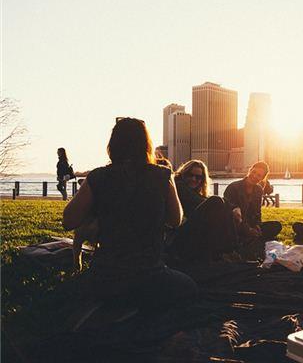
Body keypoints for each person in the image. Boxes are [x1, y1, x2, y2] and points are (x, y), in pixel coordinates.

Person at [62, 118, 197, 313]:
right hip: (150, 276)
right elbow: (175, 220)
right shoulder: (162, 175)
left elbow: (69, 221)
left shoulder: (97, 177)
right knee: (189, 288)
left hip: (106, 278)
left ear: (113, 145)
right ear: (146, 144)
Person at [169, 160, 238, 264]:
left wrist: (235, 208)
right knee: (216, 202)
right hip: (177, 236)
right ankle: (229, 250)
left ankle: (227, 251)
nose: (194, 179)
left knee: (222, 209)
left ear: (202, 180)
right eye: (190, 175)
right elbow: (202, 201)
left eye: (198, 177)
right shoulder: (179, 186)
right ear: (183, 174)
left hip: (188, 234)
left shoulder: (194, 192)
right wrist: (229, 208)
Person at [223, 161, 282, 246]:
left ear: (262, 179)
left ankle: (251, 237)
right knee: (234, 228)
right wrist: (248, 230)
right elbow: (230, 213)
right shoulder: (233, 187)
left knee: (276, 225)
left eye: (259, 175)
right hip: (235, 224)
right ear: (250, 170)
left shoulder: (259, 190)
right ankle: (247, 238)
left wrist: (257, 225)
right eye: (254, 172)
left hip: (250, 223)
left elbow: (257, 212)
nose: (254, 176)